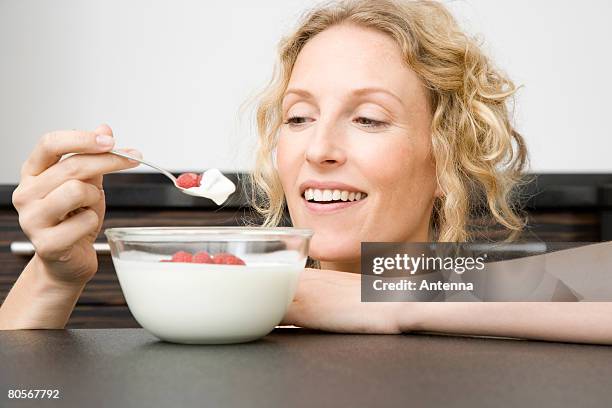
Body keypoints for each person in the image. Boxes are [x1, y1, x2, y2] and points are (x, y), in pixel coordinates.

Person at [1, 0, 610, 344]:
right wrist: (56, 276)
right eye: (298, 118)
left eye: (368, 119)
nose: (318, 148)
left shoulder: (503, 298)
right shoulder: (223, 315)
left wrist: (387, 296)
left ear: (448, 154)